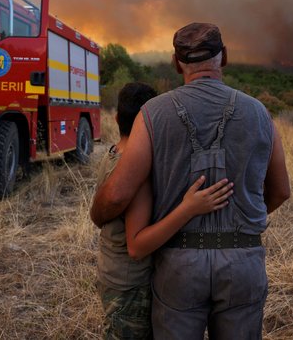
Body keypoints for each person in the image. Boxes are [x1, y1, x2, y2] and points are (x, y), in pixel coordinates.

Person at [91, 23, 291, 339]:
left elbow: (117, 195)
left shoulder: (152, 113)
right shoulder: (260, 113)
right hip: (243, 262)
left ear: (176, 62)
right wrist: (239, 218)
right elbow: (281, 191)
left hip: (179, 266)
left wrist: (96, 216)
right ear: (223, 57)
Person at [94, 82, 233, 339]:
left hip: (113, 273)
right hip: (131, 285)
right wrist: (188, 208)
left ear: (116, 118)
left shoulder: (112, 154)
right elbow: (137, 247)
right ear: (151, 124)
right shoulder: (135, 172)